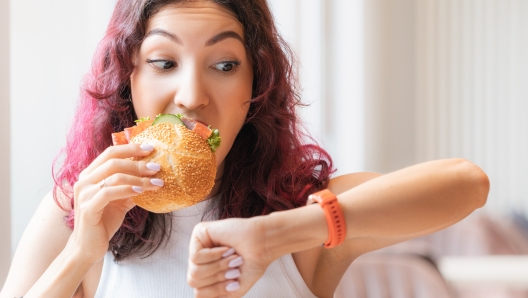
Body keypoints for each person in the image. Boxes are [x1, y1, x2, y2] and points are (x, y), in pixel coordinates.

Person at [0, 0, 489, 297]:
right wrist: (80, 253)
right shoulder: (77, 207)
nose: (191, 96)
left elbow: (467, 185)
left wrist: (277, 234)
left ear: (257, 88)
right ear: (130, 79)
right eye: (164, 61)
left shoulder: (298, 206)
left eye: (225, 65)